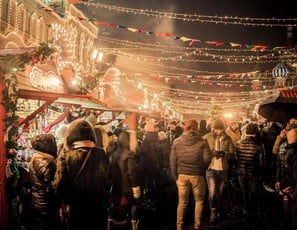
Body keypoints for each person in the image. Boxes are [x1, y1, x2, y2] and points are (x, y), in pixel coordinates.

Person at [52, 118, 110, 230]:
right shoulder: (101, 153)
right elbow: (108, 180)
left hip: (76, 207)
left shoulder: (67, 154)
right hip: (97, 206)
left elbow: (59, 184)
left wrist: (58, 202)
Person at [170, 119, 212, 230]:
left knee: (182, 202)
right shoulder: (202, 141)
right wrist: (200, 168)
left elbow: (173, 161)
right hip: (197, 175)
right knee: (199, 201)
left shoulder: (177, 141)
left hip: (182, 175)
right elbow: (207, 158)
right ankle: (197, 225)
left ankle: (179, 225)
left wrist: (175, 176)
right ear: (196, 127)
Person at [203, 119, 234, 223]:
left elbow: (231, 153)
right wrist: (212, 153)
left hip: (223, 168)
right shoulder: (207, 137)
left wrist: (224, 154)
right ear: (213, 129)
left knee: (220, 192)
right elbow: (203, 152)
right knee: (211, 192)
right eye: (217, 129)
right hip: (211, 168)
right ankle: (213, 212)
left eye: (220, 129)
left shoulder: (227, 138)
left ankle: (219, 210)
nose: (218, 131)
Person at [109, 129, 141, 230]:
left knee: (115, 202)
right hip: (127, 185)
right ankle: (134, 224)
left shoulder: (114, 153)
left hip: (116, 184)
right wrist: (135, 186)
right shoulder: (129, 154)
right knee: (134, 203)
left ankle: (110, 221)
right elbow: (131, 172)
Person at [29, 134, 60, 230]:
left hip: (37, 201)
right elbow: (52, 186)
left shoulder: (37, 158)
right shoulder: (47, 163)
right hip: (46, 204)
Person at [235, 123, 264, 217]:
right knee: (252, 191)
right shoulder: (258, 145)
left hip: (241, 171)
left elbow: (236, 159)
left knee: (244, 190)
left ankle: (245, 208)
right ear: (255, 133)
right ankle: (252, 208)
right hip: (253, 172)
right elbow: (261, 162)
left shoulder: (238, 143)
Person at [261, 121, 282, 186]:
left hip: (268, 149)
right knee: (276, 165)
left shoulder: (265, 129)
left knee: (268, 164)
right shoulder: (280, 130)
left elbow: (262, 140)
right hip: (276, 149)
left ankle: (267, 179)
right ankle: (275, 180)